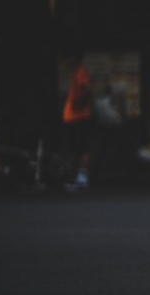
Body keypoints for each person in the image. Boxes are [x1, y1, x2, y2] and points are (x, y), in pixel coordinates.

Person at [61, 48, 95, 190]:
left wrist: (80, 103)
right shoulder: (77, 73)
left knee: (81, 148)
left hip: (79, 117)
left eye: (70, 58)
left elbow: (87, 89)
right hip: (74, 117)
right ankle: (79, 177)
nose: (68, 62)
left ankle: (81, 178)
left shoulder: (81, 72)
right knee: (78, 148)